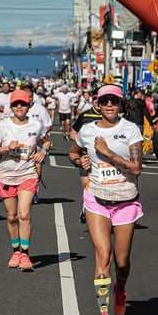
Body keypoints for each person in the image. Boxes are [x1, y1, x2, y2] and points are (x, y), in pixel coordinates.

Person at [68, 84, 143, 315]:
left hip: (125, 200)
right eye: (105, 101)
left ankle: (120, 289)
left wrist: (107, 153)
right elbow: (73, 152)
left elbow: (136, 168)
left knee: (122, 262)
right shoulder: (88, 131)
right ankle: (103, 314)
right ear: (97, 105)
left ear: (121, 104)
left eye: (114, 101)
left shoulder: (130, 129)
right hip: (96, 199)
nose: (110, 105)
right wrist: (81, 160)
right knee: (103, 255)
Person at [0, 89, 50, 272]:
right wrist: (8, 147)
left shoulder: (36, 125)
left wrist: (43, 152)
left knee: (24, 214)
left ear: (28, 105)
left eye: (23, 103)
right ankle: (15, 250)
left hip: (28, 174)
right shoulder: (3, 126)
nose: (19, 107)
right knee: (12, 216)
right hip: (7, 175)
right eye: (16, 104)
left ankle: (25, 254)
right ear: (11, 106)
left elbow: (46, 141)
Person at [71, 92, 103, 224]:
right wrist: (83, 141)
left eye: (99, 100)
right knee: (88, 186)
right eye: (95, 99)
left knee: (102, 186)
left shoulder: (111, 116)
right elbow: (73, 133)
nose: (97, 102)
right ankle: (87, 209)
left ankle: (101, 213)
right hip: (86, 155)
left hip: (104, 159)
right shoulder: (85, 115)